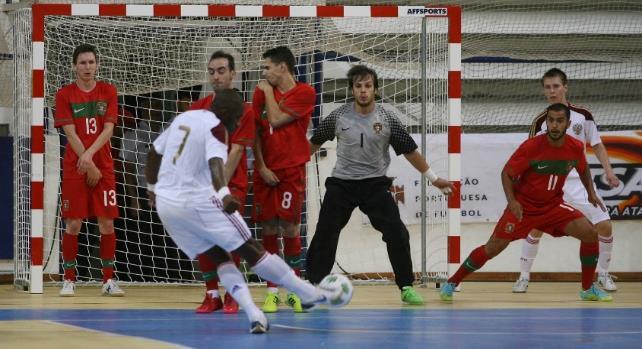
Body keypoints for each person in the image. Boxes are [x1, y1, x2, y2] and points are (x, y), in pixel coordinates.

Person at [145, 89, 338, 334]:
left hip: (168, 206)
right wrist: (225, 195)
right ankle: (307, 293)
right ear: (227, 113)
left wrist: (152, 187)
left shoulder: (185, 118)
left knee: (219, 257)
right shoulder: (217, 127)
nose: (238, 123)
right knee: (252, 249)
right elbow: (216, 165)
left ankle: (254, 315)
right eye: (237, 117)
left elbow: (154, 151)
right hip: (198, 201)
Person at [306, 65, 454, 305]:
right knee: (325, 233)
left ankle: (406, 286)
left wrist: (434, 179)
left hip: (374, 186)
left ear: (375, 89)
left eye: (368, 86)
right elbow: (313, 145)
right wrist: (290, 167)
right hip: (341, 185)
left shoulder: (387, 119)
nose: (363, 91)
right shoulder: (337, 116)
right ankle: (314, 287)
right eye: (358, 86)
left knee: (397, 233)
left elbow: (410, 151)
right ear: (352, 90)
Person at [440, 103, 613, 303]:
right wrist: (512, 201)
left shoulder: (574, 147)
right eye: (551, 120)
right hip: (524, 208)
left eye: (559, 121)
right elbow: (506, 173)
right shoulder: (532, 147)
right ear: (546, 122)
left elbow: (583, 169)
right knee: (493, 247)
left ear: (568, 123)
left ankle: (588, 288)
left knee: (591, 234)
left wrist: (591, 193)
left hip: (553, 207)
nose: (554, 125)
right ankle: (452, 283)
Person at [512, 68, 621, 293]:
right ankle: (523, 276)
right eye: (547, 87)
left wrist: (609, 172)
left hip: (579, 183)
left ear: (565, 87)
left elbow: (597, 144)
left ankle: (602, 274)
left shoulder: (583, 116)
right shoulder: (541, 121)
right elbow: (528, 156)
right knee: (535, 229)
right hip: (548, 184)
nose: (552, 91)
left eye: (556, 86)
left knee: (605, 225)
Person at [187, 51, 256, 314]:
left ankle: (234, 294)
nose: (216, 76)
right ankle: (211, 294)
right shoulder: (197, 107)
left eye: (222, 70)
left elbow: (237, 151)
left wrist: (220, 188)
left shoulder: (245, 110)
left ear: (233, 74)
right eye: (212, 71)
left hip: (231, 184)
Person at [54, 44, 124, 297]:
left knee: (106, 222)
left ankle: (108, 280)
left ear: (97, 64)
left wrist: (91, 158)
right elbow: (69, 131)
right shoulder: (64, 94)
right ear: (74, 66)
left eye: (91, 62)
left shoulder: (108, 91)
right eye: (82, 63)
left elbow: (108, 129)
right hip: (76, 168)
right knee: (74, 223)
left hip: (102, 166)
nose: (87, 67)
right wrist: (87, 161)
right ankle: (69, 279)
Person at [251, 46, 316, 313]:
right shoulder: (258, 93)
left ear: (282, 67)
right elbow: (255, 132)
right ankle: (271, 291)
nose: (263, 73)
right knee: (268, 228)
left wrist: (267, 93)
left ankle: (295, 289)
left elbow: (276, 120)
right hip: (265, 171)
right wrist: (262, 166)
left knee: (289, 227)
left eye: (267, 67)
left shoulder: (305, 92)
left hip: (291, 171)